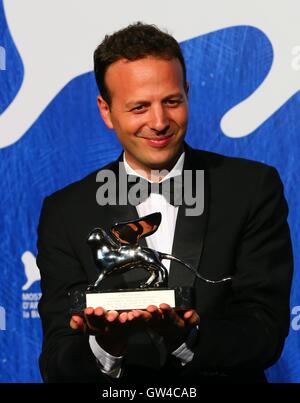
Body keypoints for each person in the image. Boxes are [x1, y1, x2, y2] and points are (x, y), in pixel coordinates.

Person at [37, 22, 293, 384]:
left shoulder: (251, 188)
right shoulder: (66, 212)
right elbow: (57, 362)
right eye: (139, 107)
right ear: (106, 111)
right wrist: (106, 347)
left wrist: (187, 339)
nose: (159, 122)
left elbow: (264, 333)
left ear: (187, 93)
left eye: (171, 101)